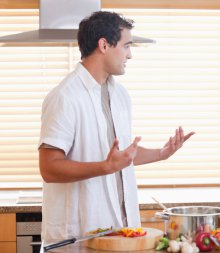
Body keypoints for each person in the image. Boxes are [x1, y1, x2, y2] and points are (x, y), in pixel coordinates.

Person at [38, 11, 195, 242]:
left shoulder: (119, 95)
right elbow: (49, 168)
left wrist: (162, 154)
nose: (130, 55)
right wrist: (106, 166)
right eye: (126, 46)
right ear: (104, 45)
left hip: (120, 232)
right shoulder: (65, 97)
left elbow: (121, 157)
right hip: (79, 236)